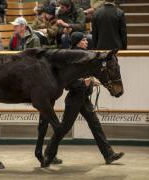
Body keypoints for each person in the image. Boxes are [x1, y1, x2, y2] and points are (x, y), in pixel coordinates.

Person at [49, 31, 124, 165]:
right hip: (74, 99)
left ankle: (109, 154)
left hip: (83, 98)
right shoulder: (73, 58)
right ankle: (49, 153)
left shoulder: (85, 57)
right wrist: (84, 83)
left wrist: (90, 82)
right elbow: (67, 83)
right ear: (77, 42)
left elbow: (84, 77)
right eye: (84, 40)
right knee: (64, 128)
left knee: (96, 126)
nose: (87, 41)